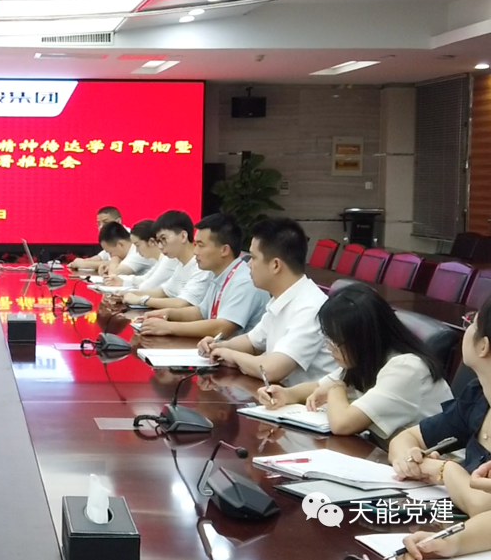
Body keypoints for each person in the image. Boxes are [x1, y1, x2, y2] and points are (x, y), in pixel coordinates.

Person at [256, 283, 451, 439]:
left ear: (363, 339)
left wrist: (335, 388)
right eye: (327, 338)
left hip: (436, 464)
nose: (329, 348)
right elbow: (318, 386)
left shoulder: (406, 368)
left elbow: (342, 424)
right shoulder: (366, 358)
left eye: (336, 342)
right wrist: (285, 394)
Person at [198, 218, 337, 385]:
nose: (248, 264)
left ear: (275, 265)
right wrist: (219, 346)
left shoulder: (310, 307)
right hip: (282, 394)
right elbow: (252, 342)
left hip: (308, 400)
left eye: (253, 258)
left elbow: (270, 370)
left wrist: (231, 355)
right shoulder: (283, 297)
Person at [389, 297, 491, 516]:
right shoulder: (478, 396)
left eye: (472, 322)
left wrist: (444, 470)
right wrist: (409, 460)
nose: (467, 327)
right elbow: (406, 438)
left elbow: (482, 505)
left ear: (483, 346)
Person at [138, 213, 268, 339]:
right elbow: (201, 312)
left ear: (224, 250)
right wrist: (167, 313)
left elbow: (222, 328)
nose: (195, 252)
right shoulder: (218, 274)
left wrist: (168, 327)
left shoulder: (244, 281)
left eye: (201, 245)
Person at [118, 210, 212, 310]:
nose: (160, 246)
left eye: (164, 239)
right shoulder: (181, 264)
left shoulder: (202, 266)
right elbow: (164, 292)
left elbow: (183, 303)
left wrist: (141, 300)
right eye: (158, 241)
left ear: (183, 236)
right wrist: (127, 294)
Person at [68, 206, 150, 275]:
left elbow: (114, 272)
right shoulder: (116, 240)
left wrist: (113, 260)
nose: (101, 227)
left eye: (105, 222)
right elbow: (101, 257)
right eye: (98, 224)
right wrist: (82, 262)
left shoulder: (136, 246)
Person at [104, 220, 164, 287]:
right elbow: (145, 279)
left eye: (138, 245)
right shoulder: (161, 260)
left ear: (152, 242)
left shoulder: (167, 259)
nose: (137, 251)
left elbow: (150, 284)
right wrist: (122, 281)